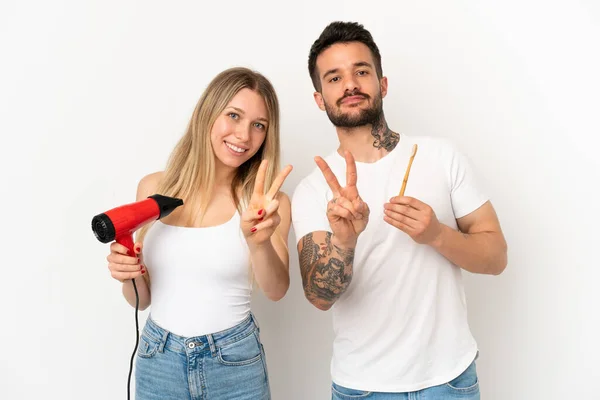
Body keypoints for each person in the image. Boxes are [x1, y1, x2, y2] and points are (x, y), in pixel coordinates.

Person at [291, 21, 508, 399]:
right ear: (319, 98)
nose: (350, 85)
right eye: (334, 78)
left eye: (361, 71)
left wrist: (437, 235)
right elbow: (320, 297)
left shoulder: (441, 157)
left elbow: (496, 257)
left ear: (382, 83)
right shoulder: (313, 190)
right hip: (361, 387)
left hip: (450, 380)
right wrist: (344, 242)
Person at [105, 67, 293, 400]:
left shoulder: (268, 202)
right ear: (208, 114)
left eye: (258, 125)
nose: (244, 135)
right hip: (157, 359)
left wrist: (258, 244)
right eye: (233, 116)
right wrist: (126, 276)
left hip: (234, 363)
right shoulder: (153, 188)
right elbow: (142, 299)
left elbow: (277, 290)